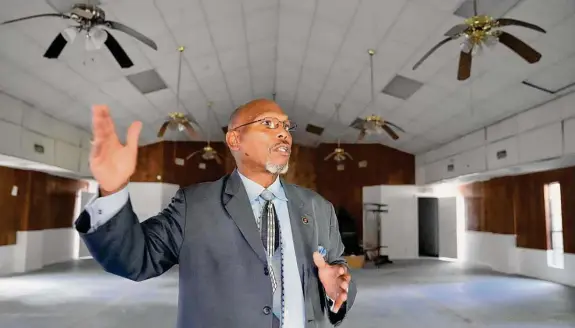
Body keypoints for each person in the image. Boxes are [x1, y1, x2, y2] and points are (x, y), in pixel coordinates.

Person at [75, 99, 357, 328]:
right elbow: (136, 260)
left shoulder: (319, 207)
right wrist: (113, 189)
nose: (283, 133)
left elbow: (339, 274)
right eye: (268, 124)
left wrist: (338, 292)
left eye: (286, 126)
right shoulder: (194, 204)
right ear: (235, 139)